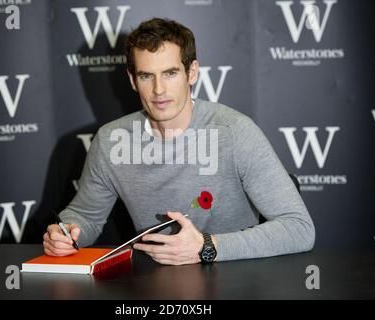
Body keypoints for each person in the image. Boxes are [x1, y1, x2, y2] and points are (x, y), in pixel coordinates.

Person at [43, 18, 315, 265]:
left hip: (233, 277)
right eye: (146, 76)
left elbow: (299, 228)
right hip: (152, 285)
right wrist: (67, 232)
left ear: (192, 72)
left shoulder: (234, 132)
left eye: (170, 73)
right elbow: (86, 217)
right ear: (133, 80)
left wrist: (208, 247)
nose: (159, 90)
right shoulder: (111, 140)